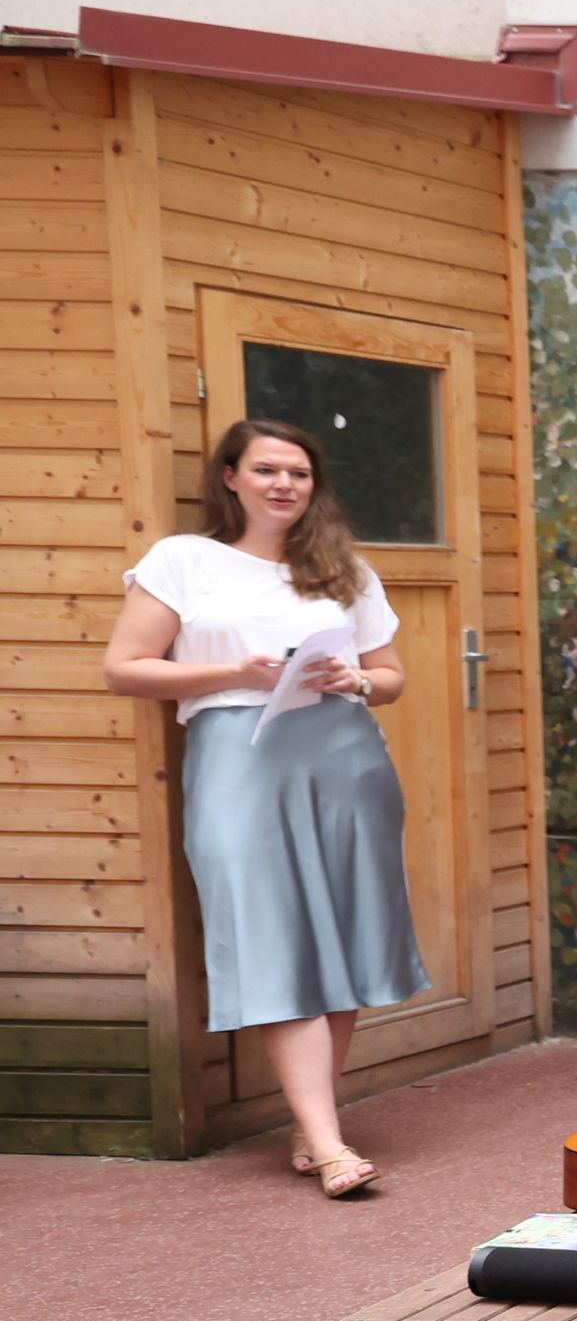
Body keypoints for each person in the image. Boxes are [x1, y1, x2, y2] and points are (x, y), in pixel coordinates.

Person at [100, 420, 426, 1196]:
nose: (285, 484)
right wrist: (226, 671)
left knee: (344, 938)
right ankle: (327, 1141)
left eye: (300, 473)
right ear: (230, 478)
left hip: (344, 758)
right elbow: (124, 668)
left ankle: (318, 1132)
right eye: (268, 469)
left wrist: (357, 681)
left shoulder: (342, 567)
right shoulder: (183, 560)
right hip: (236, 756)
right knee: (270, 935)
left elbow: (391, 675)